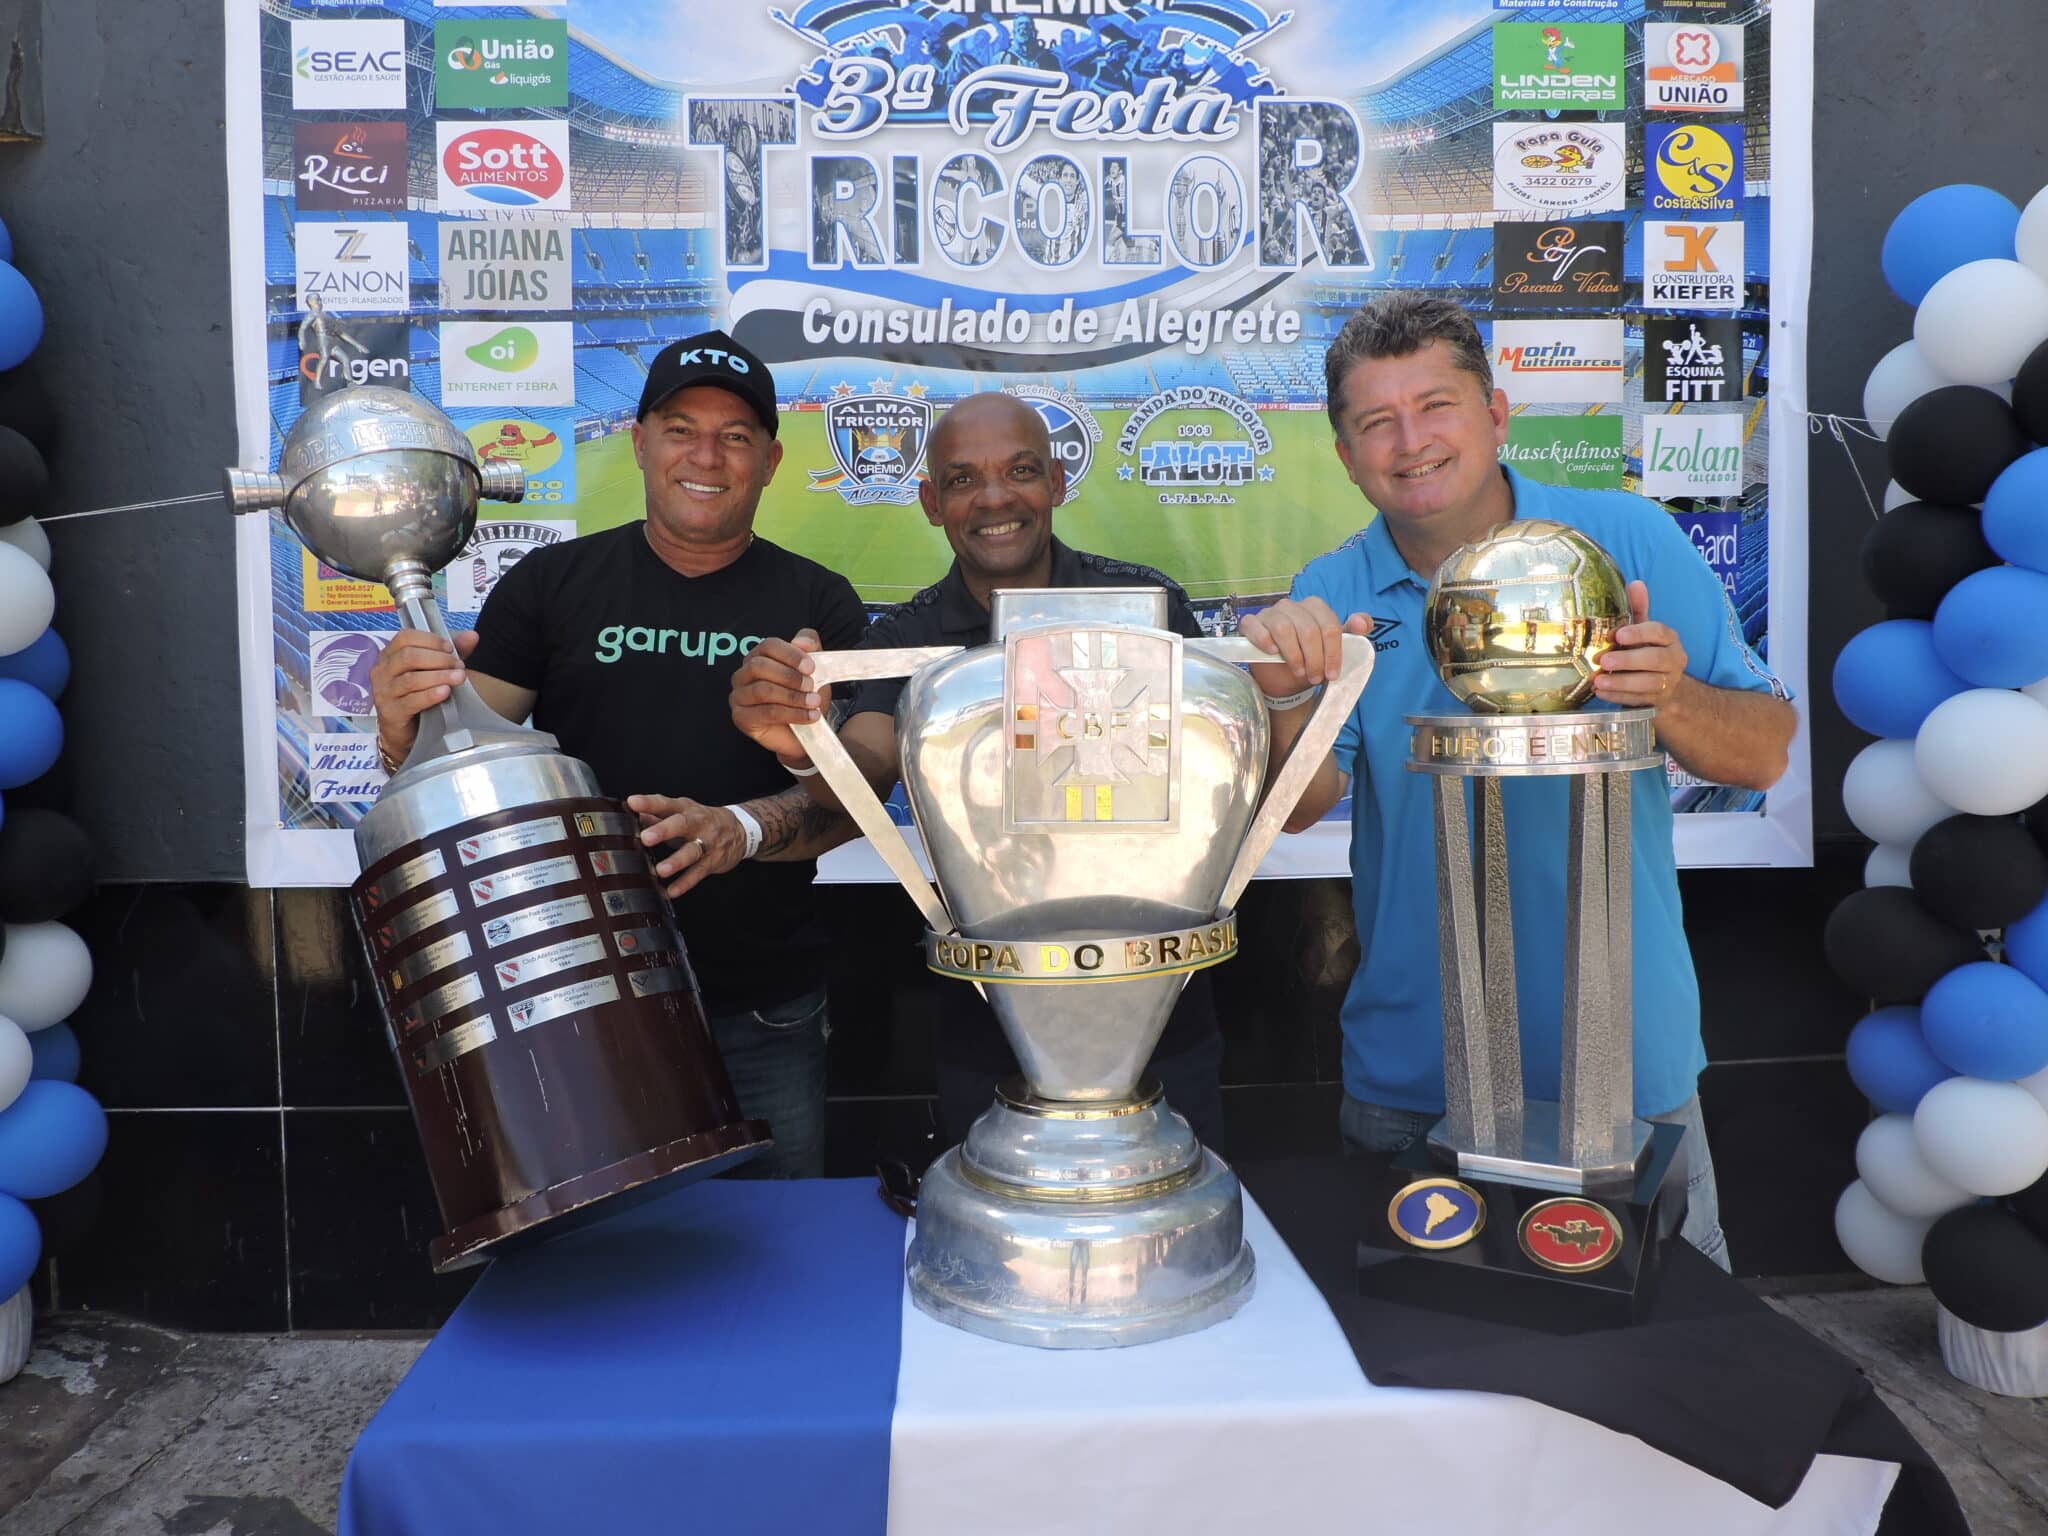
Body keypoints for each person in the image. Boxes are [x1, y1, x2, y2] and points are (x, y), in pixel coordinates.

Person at [1240, 294, 1796, 1268]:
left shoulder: (1623, 542)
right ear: (1344, 454)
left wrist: (1665, 695)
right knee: (1429, 1381)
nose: (1410, 442)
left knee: (1679, 1379)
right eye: (1376, 422)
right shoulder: (1332, 597)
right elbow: (1294, 812)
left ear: (1495, 415)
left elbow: (1760, 754)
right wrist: (1286, 697)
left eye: (1435, 405)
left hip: (1628, 1062)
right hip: (1415, 1075)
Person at [367, 331, 866, 1177]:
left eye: (736, 435)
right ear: (638, 443)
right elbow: (457, 761)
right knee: (608, 1269)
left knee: (778, 1250)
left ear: (772, 461)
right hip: (579, 1010)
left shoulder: (817, 601)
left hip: (764, 1004)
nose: (705, 455)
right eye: (680, 429)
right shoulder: (552, 584)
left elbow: (854, 802)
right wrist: (397, 725)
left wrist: (745, 819)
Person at [728, 392, 1229, 1152]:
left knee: (1174, 1238)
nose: (995, 497)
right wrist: (801, 740)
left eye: (1020, 471)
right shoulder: (906, 634)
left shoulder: (1147, 608)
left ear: (1057, 483)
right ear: (932, 503)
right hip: (988, 1009)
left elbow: (1221, 765)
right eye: (963, 480)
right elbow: (864, 767)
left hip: (1162, 998)